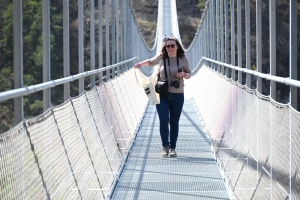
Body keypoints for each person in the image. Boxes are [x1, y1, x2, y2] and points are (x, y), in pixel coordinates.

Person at [134, 35, 191, 157]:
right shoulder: (161, 57)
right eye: (168, 46)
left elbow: (189, 74)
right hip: (162, 94)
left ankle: (173, 148)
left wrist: (183, 74)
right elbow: (150, 62)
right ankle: (165, 146)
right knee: (164, 120)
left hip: (177, 94)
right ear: (165, 47)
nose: (170, 48)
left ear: (177, 47)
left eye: (172, 46)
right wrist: (140, 64)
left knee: (174, 122)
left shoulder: (183, 59)